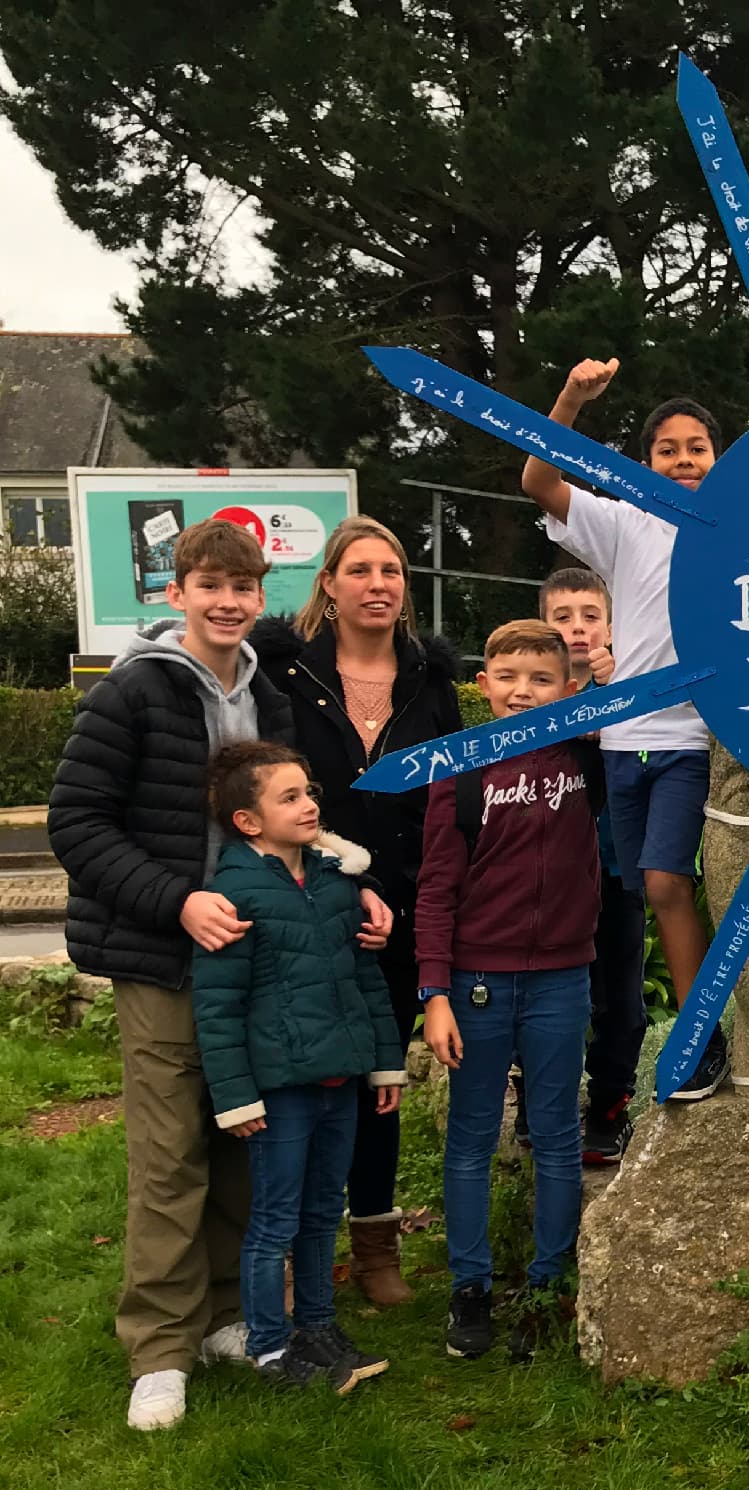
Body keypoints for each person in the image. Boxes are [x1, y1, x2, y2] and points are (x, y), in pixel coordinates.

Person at [47, 518, 384, 1430]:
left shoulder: (268, 695)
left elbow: (293, 819)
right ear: (177, 595)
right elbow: (75, 824)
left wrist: (354, 881)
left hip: (261, 957)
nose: (229, 603)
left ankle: (228, 1317)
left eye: (244, 588)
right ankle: (159, 1349)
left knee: (248, 1142)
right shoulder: (132, 695)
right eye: (211, 587)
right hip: (163, 957)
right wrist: (178, 901)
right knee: (169, 1159)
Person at [253, 516, 462, 1306]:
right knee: (299, 1077)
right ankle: (287, 1247)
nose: (379, 584)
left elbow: (450, 799)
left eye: (394, 571)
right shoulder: (284, 674)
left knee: (380, 1079)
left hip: (403, 915)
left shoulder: (431, 683)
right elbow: (265, 789)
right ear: (330, 586)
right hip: (306, 904)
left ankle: (375, 1248)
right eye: (362, 570)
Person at [521, 365, 724, 1100]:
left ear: (717, 459)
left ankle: (700, 1036)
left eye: (697, 448)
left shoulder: (741, 529)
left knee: (670, 881)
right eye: (667, 450)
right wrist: (572, 398)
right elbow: (539, 481)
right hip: (622, 735)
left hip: (694, 736)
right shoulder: (624, 522)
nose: (683, 461)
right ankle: (675, 1048)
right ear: (645, 464)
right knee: (638, 888)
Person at [416, 620, 603, 1362]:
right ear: (484, 684)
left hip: (563, 977)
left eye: (542, 679)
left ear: (567, 688)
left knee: (557, 1138)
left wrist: (600, 700)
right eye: (509, 677)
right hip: (476, 983)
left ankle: (548, 1285)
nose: (524, 691)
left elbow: (645, 721)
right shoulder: (459, 770)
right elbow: (435, 888)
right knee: (469, 1140)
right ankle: (470, 1289)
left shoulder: (591, 758)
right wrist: (435, 992)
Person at [191, 742, 403, 1392]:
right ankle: (270, 1346)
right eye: (290, 797)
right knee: (276, 1220)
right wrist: (236, 1096)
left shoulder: (338, 879)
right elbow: (218, 1005)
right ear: (247, 821)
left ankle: (317, 1326)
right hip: (279, 1091)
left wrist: (386, 1065)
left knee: (320, 1214)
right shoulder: (233, 892)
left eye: (310, 791)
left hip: (339, 1080)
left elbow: (366, 977)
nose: (310, 804)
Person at [537, 566, 650, 1162]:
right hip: (545, 871)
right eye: (562, 617)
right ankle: (540, 1102)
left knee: (620, 997)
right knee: (551, 991)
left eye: (589, 616)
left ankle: (608, 1108)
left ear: (611, 625)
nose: (577, 629)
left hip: (614, 865)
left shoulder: (631, 685)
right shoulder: (530, 690)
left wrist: (612, 699)